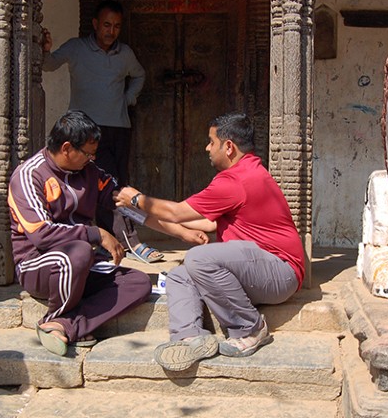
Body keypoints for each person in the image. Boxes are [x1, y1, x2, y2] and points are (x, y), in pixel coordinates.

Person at [115, 113, 305, 371]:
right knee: (180, 275)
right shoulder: (244, 174)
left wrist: (137, 199)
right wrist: (139, 213)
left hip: (280, 273)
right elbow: (203, 223)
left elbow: (177, 213)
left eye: (211, 141)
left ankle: (250, 328)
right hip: (256, 272)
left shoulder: (237, 180)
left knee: (198, 258)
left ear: (228, 147)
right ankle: (190, 337)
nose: (207, 147)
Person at [7, 110, 152, 356]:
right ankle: (58, 314)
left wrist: (169, 217)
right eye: (87, 152)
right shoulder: (29, 175)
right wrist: (96, 234)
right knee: (80, 251)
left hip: (83, 265)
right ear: (66, 148)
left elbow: (117, 195)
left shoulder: (90, 171)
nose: (92, 158)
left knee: (138, 282)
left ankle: (64, 324)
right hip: (40, 265)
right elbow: (41, 234)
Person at [42, 0, 163, 263]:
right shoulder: (76, 48)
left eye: (117, 26)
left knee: (117, 183)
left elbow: (139, 75)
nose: (111, 31)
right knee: (102, 186)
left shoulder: (125, 54)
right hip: (84, 134)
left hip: (118, 128)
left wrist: (129, 98)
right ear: (95, 24)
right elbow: (48, 65)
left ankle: (115, 240)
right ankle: (128, 242)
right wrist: (45, 50)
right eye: (106, 24)